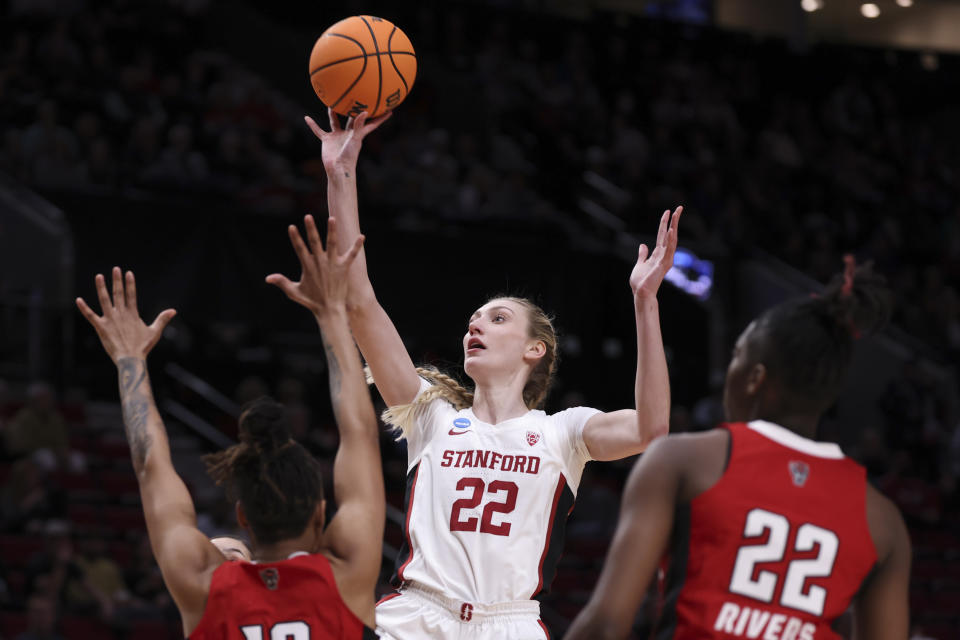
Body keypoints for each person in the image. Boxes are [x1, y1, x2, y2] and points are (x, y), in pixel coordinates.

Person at [302, 109, 680, 639]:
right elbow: (359, 301)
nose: (475, 325)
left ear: (534, 349)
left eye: (496, 318)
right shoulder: (431, 412)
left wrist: (645, 303)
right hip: (417, 617)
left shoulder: (563, 432)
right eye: (473, 319)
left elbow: (651, 429)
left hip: (511, 625)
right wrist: (340, 175)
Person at [565, 260, 911, 640]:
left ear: (754, 379)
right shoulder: (883, 519)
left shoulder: (683, 460)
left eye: (736, 355)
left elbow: (605, 625)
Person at [75, 217, 382, 639]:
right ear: (320, 513)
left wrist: (130, 360)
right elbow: (360, 431)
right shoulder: (348, 575)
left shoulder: (204, 584)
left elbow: (150, 464)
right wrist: (331, 312)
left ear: (242, 517)